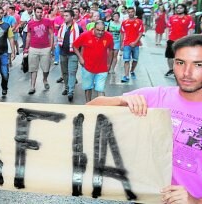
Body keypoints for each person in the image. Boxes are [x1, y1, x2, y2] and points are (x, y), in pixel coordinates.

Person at [87, 34, 202, 204]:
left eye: (198, 65)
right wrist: (120, 100)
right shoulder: (156, 96)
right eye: (180, 63)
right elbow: (87, 111)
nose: (186, 72)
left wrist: (195, 201)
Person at [73, 21, 113, 102]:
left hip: (102, 68)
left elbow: (111, 50)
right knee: (88, 87)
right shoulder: (85, 35)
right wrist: (80, 58)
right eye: (98, 30)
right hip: (88, 66)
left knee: (100, 89)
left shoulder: (109, 36)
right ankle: (88, 104)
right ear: (94, 28)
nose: (100, 32)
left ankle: (100, 107)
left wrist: (109, 64)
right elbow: (74, 46)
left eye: (102, 30)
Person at [24, 6, 54, 95]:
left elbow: (51, 34)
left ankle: (45, 79)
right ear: (34, 12)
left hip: (45, 48)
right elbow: (28, 36)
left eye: (41, 12)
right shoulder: (30, 23)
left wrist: (51, 46)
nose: (40, 14)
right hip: (33, 48)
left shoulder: (47, 21)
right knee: (33, 68)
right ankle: (32, 86)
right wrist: (26, 48)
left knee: (46, 68)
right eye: (38, 12)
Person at [57, 9, 83, 102]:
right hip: (63, 53)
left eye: (67, 16)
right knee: (64, 72)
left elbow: (82, 42)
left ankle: (70, 92)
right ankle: (67, 88)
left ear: (72, 17)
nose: (64, 17)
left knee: (72, 73)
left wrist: (81, 56)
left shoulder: (78, 28)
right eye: (64, 15)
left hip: (73, 54)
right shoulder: (61, 26)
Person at [164, 4, 193, 77]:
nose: (179, 9)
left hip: (183, 41)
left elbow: (191, 29)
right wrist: (167, 39)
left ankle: (179, 71)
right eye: (178, 8)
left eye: (181, 8)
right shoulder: (172, 18)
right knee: (170, 56)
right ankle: (171, 69)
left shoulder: (188, 18)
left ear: (184, 9)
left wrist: (189, 40)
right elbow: (168, 28)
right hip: (171, 40)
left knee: (181, 57)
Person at [120, 7, 144, 83]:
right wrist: (122, 44)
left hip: (136, 44)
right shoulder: (124, 22)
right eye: (129, 12)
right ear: (127, 13)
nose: (130, 13)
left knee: (135, 60)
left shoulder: (139, 22)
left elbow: (141, 33)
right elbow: (122, 33)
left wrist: (135, 42)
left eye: (132, 12)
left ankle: (132, 71)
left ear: (134, 12)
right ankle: (126, 76)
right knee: (126, 60)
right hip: (127, 44)